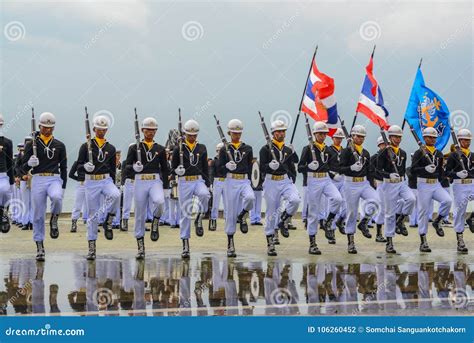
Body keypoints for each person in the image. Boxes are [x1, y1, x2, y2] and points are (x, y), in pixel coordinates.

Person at [22, 112, 67, 261]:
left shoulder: (59, 145)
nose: (47, 130)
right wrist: (29, 164)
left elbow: (64, 167)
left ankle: (54, 218)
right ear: (40, 126)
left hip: (54, 178)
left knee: (57, 197)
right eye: (45, 127)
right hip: (38, 178)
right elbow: (20, 167)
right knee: (38, 214)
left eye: (50, 127)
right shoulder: (31, 145)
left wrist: (64, 185)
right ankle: (39, 245)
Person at [76, 115, 120, 260]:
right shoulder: (86, 146)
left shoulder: (111, 148)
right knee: (92, 215)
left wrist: (113, 182)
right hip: (91, 181)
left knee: (116, 195)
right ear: (94, 129)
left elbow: (113, 168)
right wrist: (84, 167)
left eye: (104, 129)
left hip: (106, 179)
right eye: (99, 129)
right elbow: (78, 166)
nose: (101, 131)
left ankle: (109, 219)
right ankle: (92, 245)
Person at [125, 117, 169, 259]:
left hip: (155, 180)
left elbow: (165, 168)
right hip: (139, 181)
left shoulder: (160, 149)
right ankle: (140, 246)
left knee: (160, 202)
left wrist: (166, 187)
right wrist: (133, 167)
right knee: (139, 214)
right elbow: (126, 166)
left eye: (153, 130)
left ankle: (156, 220)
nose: (150, 132)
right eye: (148, 130)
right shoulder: (134, 148)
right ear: (142, 130)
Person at [297, 121, 342, 253]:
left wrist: (335, 175)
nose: (322, 136)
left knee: (337, 199)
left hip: (326, 179)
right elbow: (300, 168)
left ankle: (328, 221)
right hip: (313, 180)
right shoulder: (308, 149)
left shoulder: (328, 150)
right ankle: (312, 243)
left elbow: (333, 166)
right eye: (320, 134)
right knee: (313, 213)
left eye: (324, 134)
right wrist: (308, 167)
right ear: (315, 134)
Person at [259, 120, 300, 256]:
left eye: (283, 131)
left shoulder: (287, 149)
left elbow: (295, 163)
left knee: (295, 200)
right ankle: (270, 241)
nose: (281, 133)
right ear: (273, 133)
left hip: (285, 180)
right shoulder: (265, 149)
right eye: (278, 131)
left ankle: (284, 219)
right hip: (271, 181)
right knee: (271, 212)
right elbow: (261, 167)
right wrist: (269, 166)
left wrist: (292, 177)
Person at [171, 119, 210, 259]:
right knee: (184, 212)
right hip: (184, 181)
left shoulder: (202, 148)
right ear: (185, 134)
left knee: (205, 195)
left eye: (194, 135)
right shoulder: (178, 149)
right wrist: (177, 171)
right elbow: (172, 167)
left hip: (198, 179)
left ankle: (199, 217)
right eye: (190, 135)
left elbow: (205, 167)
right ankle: (185, 243)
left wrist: (208, 182)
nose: (192, 137)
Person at [339, 124, 380, 254]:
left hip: (363, 183)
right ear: (352, 136)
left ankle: (364, 222)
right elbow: (339, 169)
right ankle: (351, 241)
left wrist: (372, 184)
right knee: (352, 213)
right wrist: (350, 168)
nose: (361, 139)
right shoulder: (346, 151)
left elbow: (369, 170)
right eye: (358, 136)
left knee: (376, 200)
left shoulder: (365, 153)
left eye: (362, 137)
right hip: (350, 183)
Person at [410, 127, 452, 252]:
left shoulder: (438, 153)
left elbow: (440, 171)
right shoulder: (419, 152)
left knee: (447, 201)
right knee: (423, 212)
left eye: (434, 137)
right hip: (423, 184)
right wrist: (425, 169)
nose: (432, 139)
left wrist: (447, 178)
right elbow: (412, 170)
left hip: (435, 184)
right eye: (430, 137)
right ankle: (423, 240)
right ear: (424, 138)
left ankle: (437, 221)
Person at [217, 119, 255, 257]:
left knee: (250, 198)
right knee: (230, 212)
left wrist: (252, 181)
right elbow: (219, 170)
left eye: (239, 133)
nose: (237, 135)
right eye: (234, 133)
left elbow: (251, 167)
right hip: (230, 181)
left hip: (244, 180)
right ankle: (230, 242)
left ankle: (243, 215)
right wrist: (226, 166)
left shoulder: (247, 148)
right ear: (229, 133)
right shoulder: (224, 149)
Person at [376, 125, 415, 253]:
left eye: (399, 137)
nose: (397, 139)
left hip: (401, 182)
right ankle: (389, 242)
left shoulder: (402, 153)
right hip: (389, 184)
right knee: (389, 214)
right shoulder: (383, 152)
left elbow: (402, 169)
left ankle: (400, 220)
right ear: (390, 137)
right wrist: (388, 175)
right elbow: (377, 170)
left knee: (411, 199)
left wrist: (403, 178)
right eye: (395, 137)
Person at [445, 128, 473, 253]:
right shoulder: (453, 156)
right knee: (460, 211)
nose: (467, 142)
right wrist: (457, 174)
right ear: (460, 141)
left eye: (469, 140)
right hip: (459, 185)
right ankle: (460, 239)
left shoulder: (472, 155)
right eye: (465, 140)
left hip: (471, 183)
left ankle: (471, 218)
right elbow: (447, 172)